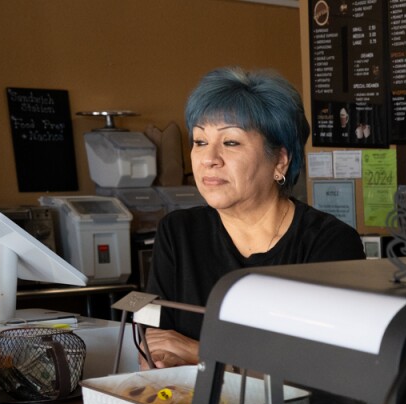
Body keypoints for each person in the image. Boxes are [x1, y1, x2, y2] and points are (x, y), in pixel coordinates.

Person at [144, 68, 364, 368]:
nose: (209, 159)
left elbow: (322, 365)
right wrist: (156, 356)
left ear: (280, 160)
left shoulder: (329, 243)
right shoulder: (178, 232)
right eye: (199, 141)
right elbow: (153, 336)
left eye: (231, 142)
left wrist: (198, 351)